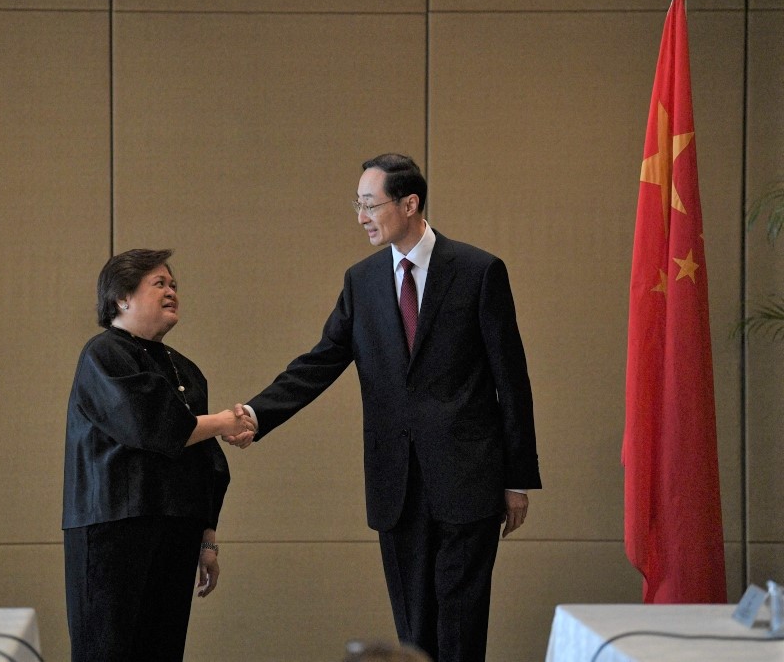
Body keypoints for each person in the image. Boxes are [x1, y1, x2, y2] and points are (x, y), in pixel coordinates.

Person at [230, 154, 541, 662]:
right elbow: (321, 361)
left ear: (409, 203)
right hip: (396, 484)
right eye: (359, 205)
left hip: (470, 480)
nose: (361, 217)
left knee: (461, 628)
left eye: (369, 204)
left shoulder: (479, 271)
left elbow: (513, 380)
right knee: (413, 630)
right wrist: (259, 413)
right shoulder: (362, 280)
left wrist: (517, 477)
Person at [62, 248, 253, 662]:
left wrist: (208, 539)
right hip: (114, 528)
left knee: (162, 650)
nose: (172, 292)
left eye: (174, 285)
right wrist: (223, 422)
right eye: (159, 284)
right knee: (108, 651)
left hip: (176, 528)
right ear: (122, 298)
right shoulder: (104, 354)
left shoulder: (186, 369)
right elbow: (153, 427)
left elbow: (207, 463)